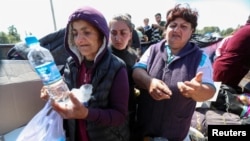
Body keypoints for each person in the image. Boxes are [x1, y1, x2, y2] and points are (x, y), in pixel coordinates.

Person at [41, 6, 130, 141]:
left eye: (86, 32)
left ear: (101, 35)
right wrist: (52, 92)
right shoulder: (71, 64)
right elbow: (65, 95)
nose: (79, 40)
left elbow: (119, 116)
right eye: (75, 33)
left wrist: (87, 114)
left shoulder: (117, 67)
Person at [132, 4, 216, 141]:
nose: (177, 29)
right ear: (166, 28)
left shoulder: (200, 57)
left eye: (184, 26)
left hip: (176, 133)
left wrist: (197, 91)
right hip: (144, 131)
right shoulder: (153, 49)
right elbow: (137, 70)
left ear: (192, 31)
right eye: (173, 25)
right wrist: (149, 82)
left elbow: (210, 90)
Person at [108, 14, 140, 141]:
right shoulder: (103, 56)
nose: (118, 38)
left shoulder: (133, 55)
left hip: (130, 109)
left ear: (130, 34)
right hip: (109, 113)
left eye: (123, 33)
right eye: (113, 33)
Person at [213, 15, 250, 93]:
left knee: (213, 99)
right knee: (214, 100)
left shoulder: (244, 29)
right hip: (228, 70)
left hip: (224, 67)